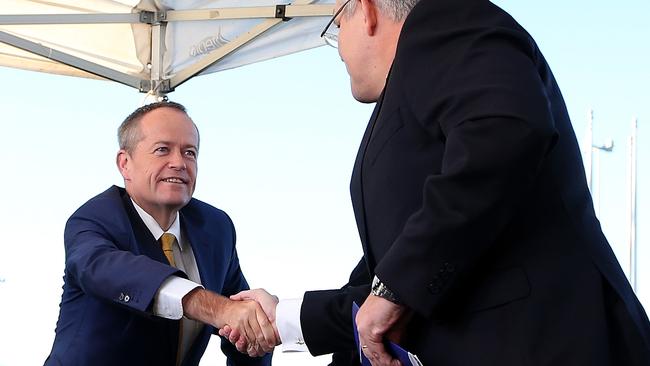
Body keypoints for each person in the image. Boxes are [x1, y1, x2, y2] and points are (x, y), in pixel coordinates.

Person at [223, 0, 650, 365]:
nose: (339, 52)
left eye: (337, 28)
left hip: (544, 342)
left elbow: (504, 130)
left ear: (367, 11)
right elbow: (386, 281)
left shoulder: (443, 21)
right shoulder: (418, 93)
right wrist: (284, 318)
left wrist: (393, 288)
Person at [45, 101, 276, 366]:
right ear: (125, 164)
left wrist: (259, 320)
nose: (179, 163)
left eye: (190, 152)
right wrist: (216, 308)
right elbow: (108, 270)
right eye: (162, 150)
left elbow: (243, 326)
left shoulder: (216, 227)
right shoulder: (93, 219)